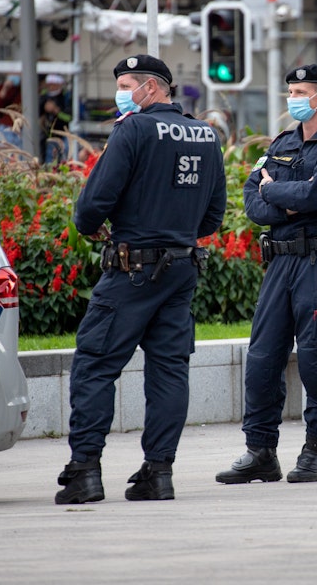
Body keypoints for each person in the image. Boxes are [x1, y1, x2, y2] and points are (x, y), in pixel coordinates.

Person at [54, 54, 227, 505]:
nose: (122, 94)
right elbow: (213, 215)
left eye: (127, 84)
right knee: (169, 372)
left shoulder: (132, 130)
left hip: (132, 270)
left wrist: (98, 222)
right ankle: (159, 472)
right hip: (182, 269)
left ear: (152, 88)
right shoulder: (206, 134)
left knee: (95, 365)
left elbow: (93, 204)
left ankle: (85, 471)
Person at [216, 64, 317, 484]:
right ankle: (260, 451)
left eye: (301, 91)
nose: (293, 98)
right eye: (290, 91)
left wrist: (274, 191)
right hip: (280, 263)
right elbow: (251, 201)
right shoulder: (282, 143)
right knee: (262, 359)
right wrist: (286, 199)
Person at [0, 74, 23, 148]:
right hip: (6, 126)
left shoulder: (25, 89)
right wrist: (5, 89)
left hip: (22, 128)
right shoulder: (2, 88)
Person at [40, 95, 71, 163]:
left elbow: (69, 118)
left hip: (63, 136)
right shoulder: (44, 96)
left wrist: (56, 111)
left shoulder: (65, 97)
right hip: (50, 137)